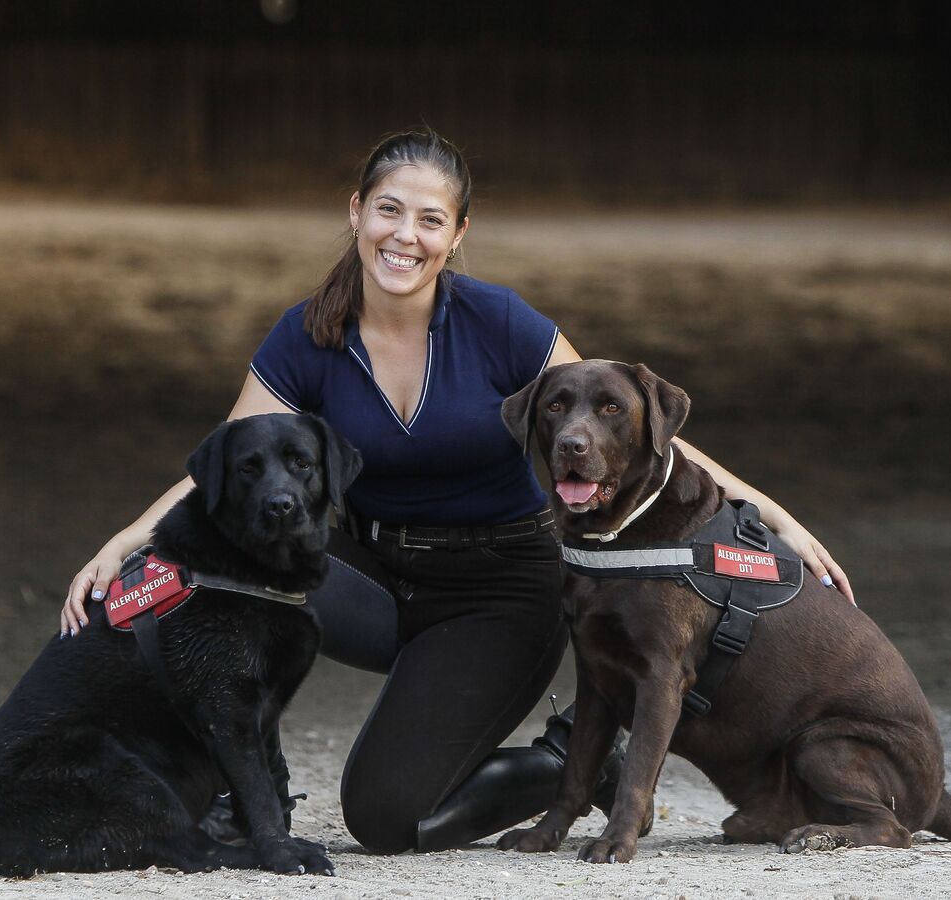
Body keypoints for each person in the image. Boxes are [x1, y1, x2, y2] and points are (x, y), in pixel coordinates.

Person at [60, 129, 856, 854]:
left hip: (500, 592)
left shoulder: (499, 323)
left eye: (430, 220)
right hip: (367, 576)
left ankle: (558, 766)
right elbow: (228, 468)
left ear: (458, 234)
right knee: (176, 578)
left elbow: (641, 427)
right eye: (388, 211)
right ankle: (205, 793)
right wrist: (126, 543)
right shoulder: (309, 332)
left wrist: (770, 514)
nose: (405, 236)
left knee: (383, 819)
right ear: (356, 212)